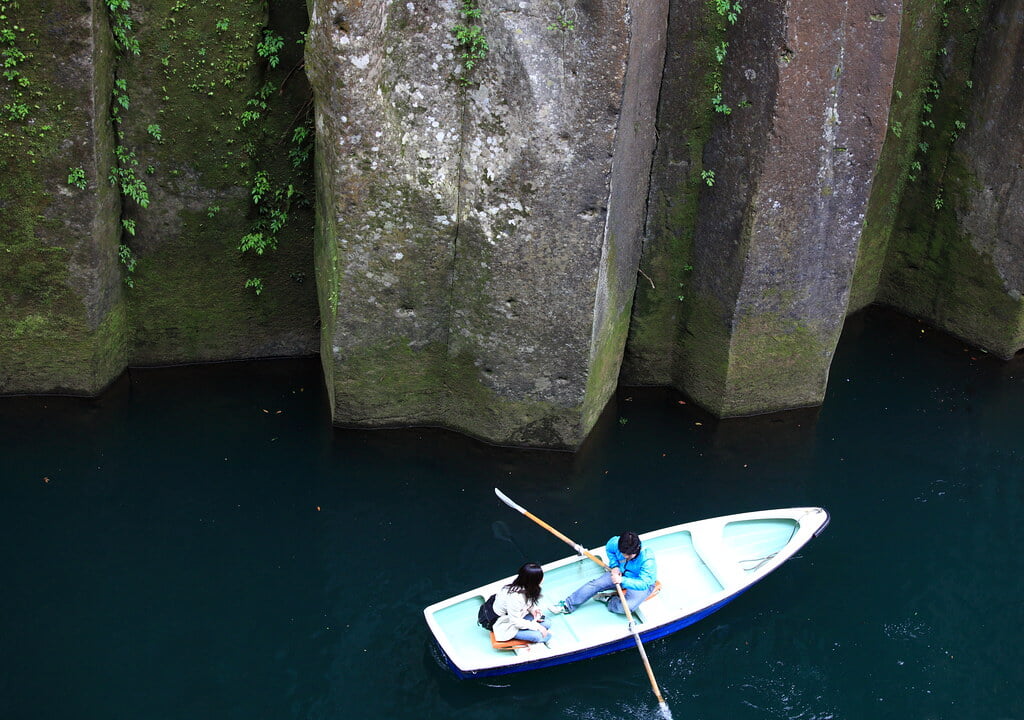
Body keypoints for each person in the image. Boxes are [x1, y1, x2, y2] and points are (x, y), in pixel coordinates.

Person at [551, 531, 656, 615]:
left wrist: (622, 580)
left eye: (629, 555)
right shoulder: (616, 543)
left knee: (626, 608)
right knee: (596, 584)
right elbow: (609, 548)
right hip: (620, 573)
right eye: (623, 554)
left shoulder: (647, 559)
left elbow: (645, 583)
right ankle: (567, 605)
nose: (625, 557)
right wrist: (614, 566)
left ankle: (610, 599)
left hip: (638, 581)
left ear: (636, 550)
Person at [492, 562, 553, 644]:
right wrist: (538, 627)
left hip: (518, 615)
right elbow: (515, 621)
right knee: (538, 636)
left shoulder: (527, 585)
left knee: (547, 624)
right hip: (505, 622)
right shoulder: (515, 596)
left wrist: (533, 610)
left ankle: (530, 633)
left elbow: (527, 603)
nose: (543, 579)